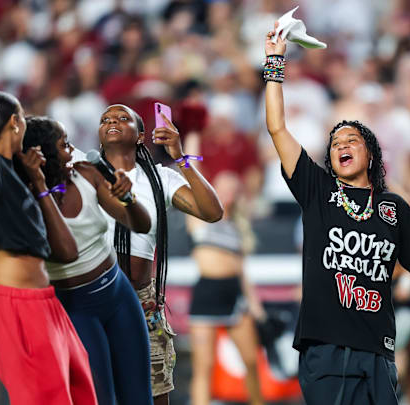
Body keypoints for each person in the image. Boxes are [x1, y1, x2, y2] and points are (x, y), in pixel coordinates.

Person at [264, 23, 410, 405]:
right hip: (325, 351)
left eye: (352, 139)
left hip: (378, 352)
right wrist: (274, 65)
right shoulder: (318, 191)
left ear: (371, 154)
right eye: (335, 142)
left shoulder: (394, 208)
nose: (342, 145)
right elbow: (277, 127)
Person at [0, 40, 97, 404]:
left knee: (80, 393)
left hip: (45, 303)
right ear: (15, 123)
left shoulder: (12, 176)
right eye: (23, 116)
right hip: (16, 305)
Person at [20, 116, 154, 405]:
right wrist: (41, 187)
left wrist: (128, 198)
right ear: (40, 155)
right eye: (63, 146)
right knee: (98, 399)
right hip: (75, 307)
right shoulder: (27, 200)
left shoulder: (87, 174)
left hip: (119, 296)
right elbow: (63, 252)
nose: (72, 151)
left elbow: (141, 225)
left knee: (139, 397)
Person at [98, 104, 223, 405]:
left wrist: (180, 157)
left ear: (141, 136)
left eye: (122, 118)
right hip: (93, 297)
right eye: (106, 120)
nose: (112, 121)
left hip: (142, 302)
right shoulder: (85, 173)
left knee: (154, 393)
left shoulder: (160, 178)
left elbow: (212, 211)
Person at [187, 171, 265, 405]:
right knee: (204, 367)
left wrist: (256, 306)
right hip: (207, 293)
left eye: (233, 188)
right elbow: (192, 176)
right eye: (223, 187)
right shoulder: (200, 215)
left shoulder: (238, 225)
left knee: (251, 361)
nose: (228, 193)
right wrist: (188, 146)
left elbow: (242, 273)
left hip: (234, 295)